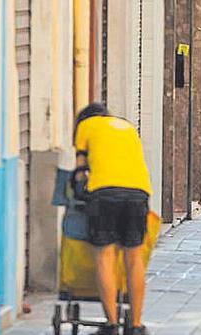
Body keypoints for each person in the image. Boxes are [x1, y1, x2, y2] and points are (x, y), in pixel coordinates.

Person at [74, 103, 153, 335]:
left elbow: (80, 170)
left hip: (104, 194)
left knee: (105, 255)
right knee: (134, 257)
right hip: (138, 193)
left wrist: (80, 189)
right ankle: (136, 326)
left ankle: (111, 324)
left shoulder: (85, 126)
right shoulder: (128, 127)